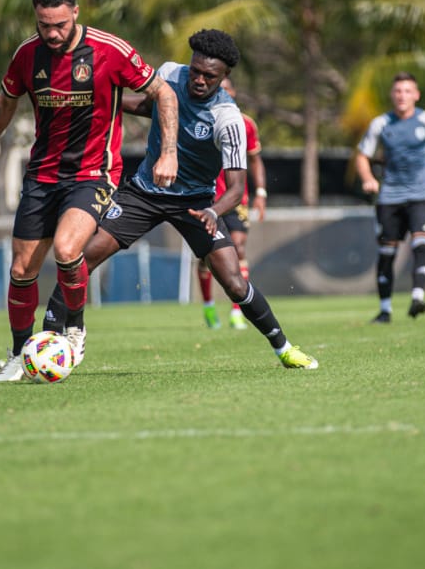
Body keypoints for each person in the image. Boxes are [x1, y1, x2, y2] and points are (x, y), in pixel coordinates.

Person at [42, 29, 318, 370]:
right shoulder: (171, 72)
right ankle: (55, 334)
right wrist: (103, 100)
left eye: (209, 76)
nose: (199, 80)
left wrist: (213, 212)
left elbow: (234, 188)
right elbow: (147, 104)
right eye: (196, 70)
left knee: (234, 282)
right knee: (81, 256)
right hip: (144, 192)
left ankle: (283, 347)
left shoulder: (228, 119)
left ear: (225, 77)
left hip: (197, 203)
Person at [0, 0, 179, 382]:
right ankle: (18, 354)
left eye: (60, 24)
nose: (52, 33)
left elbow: (164, 94)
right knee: (21, 270)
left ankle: (74, 330)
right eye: (44, 24)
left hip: (93, 173)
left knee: (66, 249)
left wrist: (168, 152)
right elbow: (5, 104)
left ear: (76, 13)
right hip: (42, 175)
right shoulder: (27, 54)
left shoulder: (109, 50)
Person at [354, 72, 425, 324]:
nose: (402, 96)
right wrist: (368, 177)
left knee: (422, 243)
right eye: (398, 91)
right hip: (390, 196)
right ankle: (385, 310)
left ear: (416, 95)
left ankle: (417, 297)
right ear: (393, 95)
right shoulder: (381, 124)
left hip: (422, 194)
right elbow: (362, 155)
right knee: (386, 253)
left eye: (407, 91)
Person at [197, 76, 266, 330]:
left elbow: (255, 160)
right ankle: (208, 307)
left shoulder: (245, 124)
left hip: (235, 198)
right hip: (206, 196)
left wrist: (261, 192)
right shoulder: (200, 117)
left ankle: (238, 310)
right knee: (206, 256)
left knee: (237, 248)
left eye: (226, 87)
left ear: (233, 92)